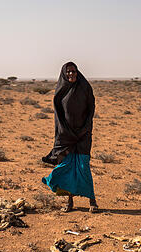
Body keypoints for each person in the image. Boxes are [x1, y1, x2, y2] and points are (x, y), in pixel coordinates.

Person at [41, 62, 98, 213]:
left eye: (73, 71)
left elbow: (90, 110)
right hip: (65, 135)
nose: (71, 74)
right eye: (68, 72)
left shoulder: (85, 88)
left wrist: (84, 129)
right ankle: (69, 201)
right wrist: (65, 132)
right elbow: (58, 116)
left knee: (83, 167)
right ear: (64, 74)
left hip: (83, 134)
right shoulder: (61, 91)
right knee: (66, 168)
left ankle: (92, 200)